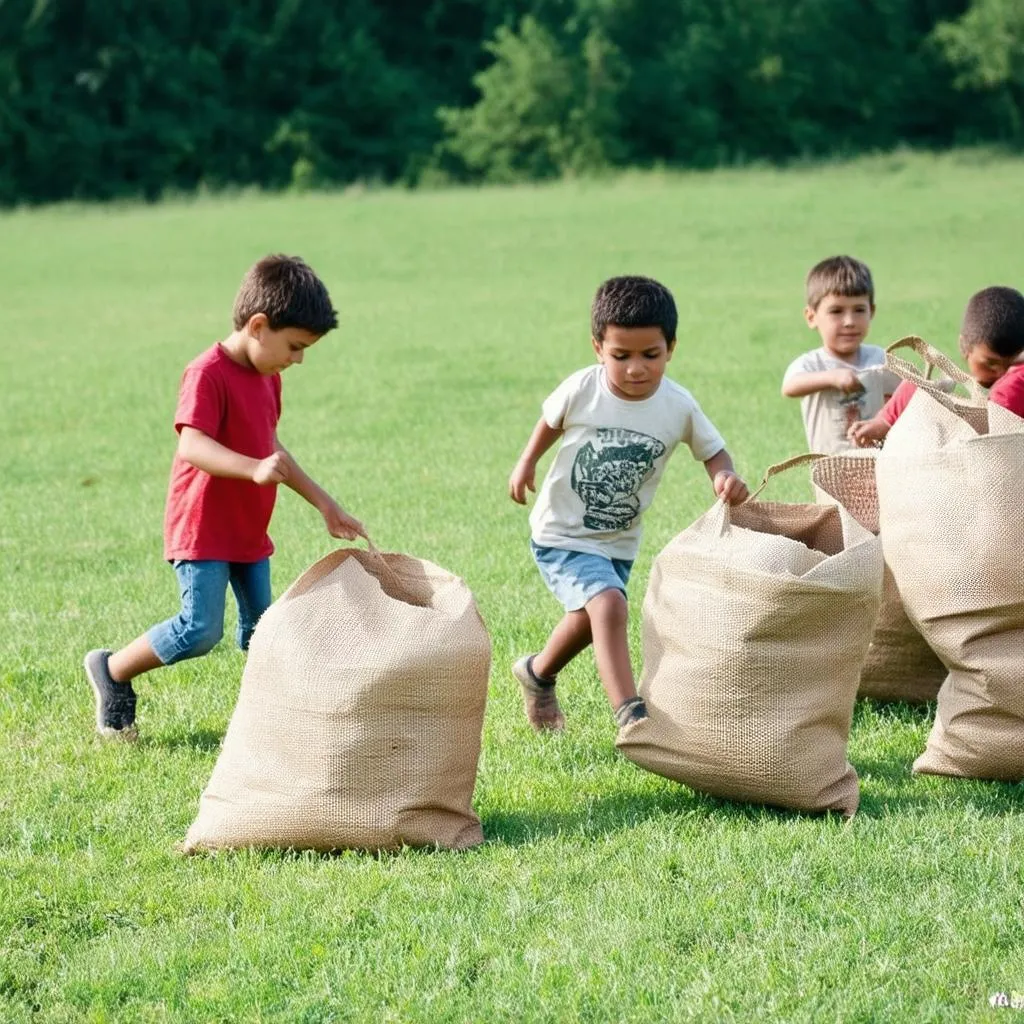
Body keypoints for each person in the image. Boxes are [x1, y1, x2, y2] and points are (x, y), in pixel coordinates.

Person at [84, 254, 366, 740]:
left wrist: (325, 504)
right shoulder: (207, 373)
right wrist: (253, 469)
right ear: (258, 325)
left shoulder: (268, 377)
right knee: (200, 630)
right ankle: (113, 671)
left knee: (263, 632)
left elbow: (271, 446)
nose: (298, 360)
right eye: (295, 346)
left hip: (247, 530)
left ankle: (273, 723)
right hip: (203, 529)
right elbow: (192, 445)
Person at [508, 275, 748, 732]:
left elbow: (713, 450)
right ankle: (629, 711)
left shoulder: (677, 405)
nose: (636, 368)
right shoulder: (583, 389)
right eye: (621, 356)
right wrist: (525, 463)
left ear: (671, 348)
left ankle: (538, 673)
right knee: (609, 605)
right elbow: (550, 422)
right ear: (598, 347)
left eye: (649, 356)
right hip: (562, 532)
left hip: (618, 540)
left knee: (590, 616)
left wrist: (725, 477)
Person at [848, 285, 1024, 447]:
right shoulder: (955, 378)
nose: (1002, 372)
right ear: (964, 347)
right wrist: (884, 421)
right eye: (991, 363)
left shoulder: (1012, 386)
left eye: (1013, 362)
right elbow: (919, 386)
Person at [781, 255, 899, 453]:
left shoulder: (879, 358)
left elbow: (904, 393)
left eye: (859, 310)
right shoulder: (813, 364)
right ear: (811, 317)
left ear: (872, 311)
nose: (849, 321)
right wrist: (831, 378)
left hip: (878, 463)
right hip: (829, 467)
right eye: (836, 311)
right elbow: (789, 386)